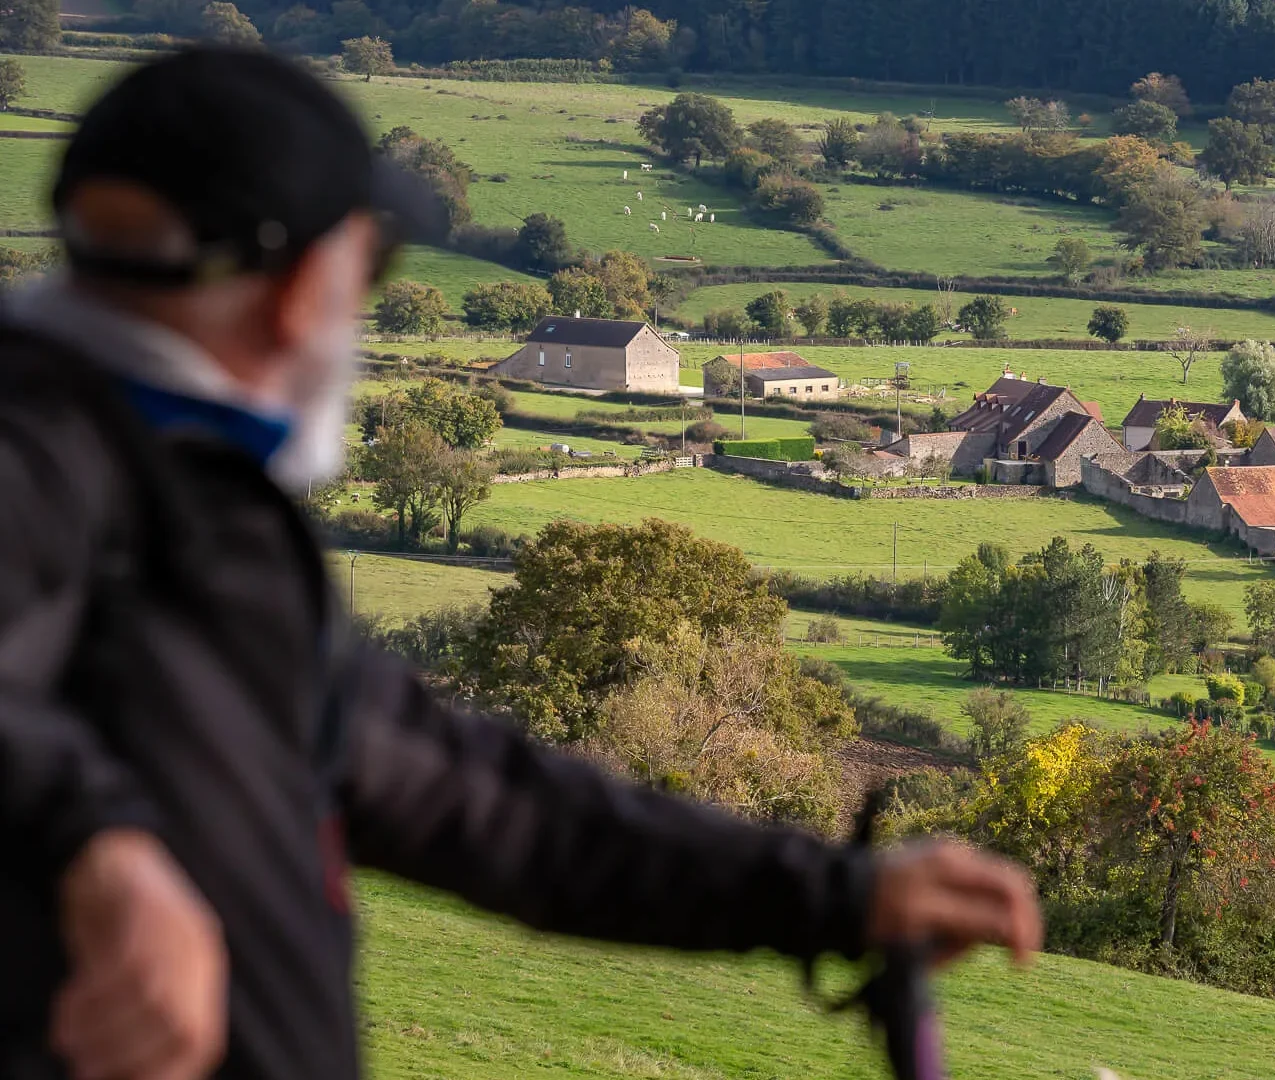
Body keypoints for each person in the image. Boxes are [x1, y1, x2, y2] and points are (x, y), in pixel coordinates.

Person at [0, 48, 1040, 1080]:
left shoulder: (203, 507)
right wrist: (108, 855)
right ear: (302, 288)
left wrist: (836, 894)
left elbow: (494, 807)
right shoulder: (41, 449)